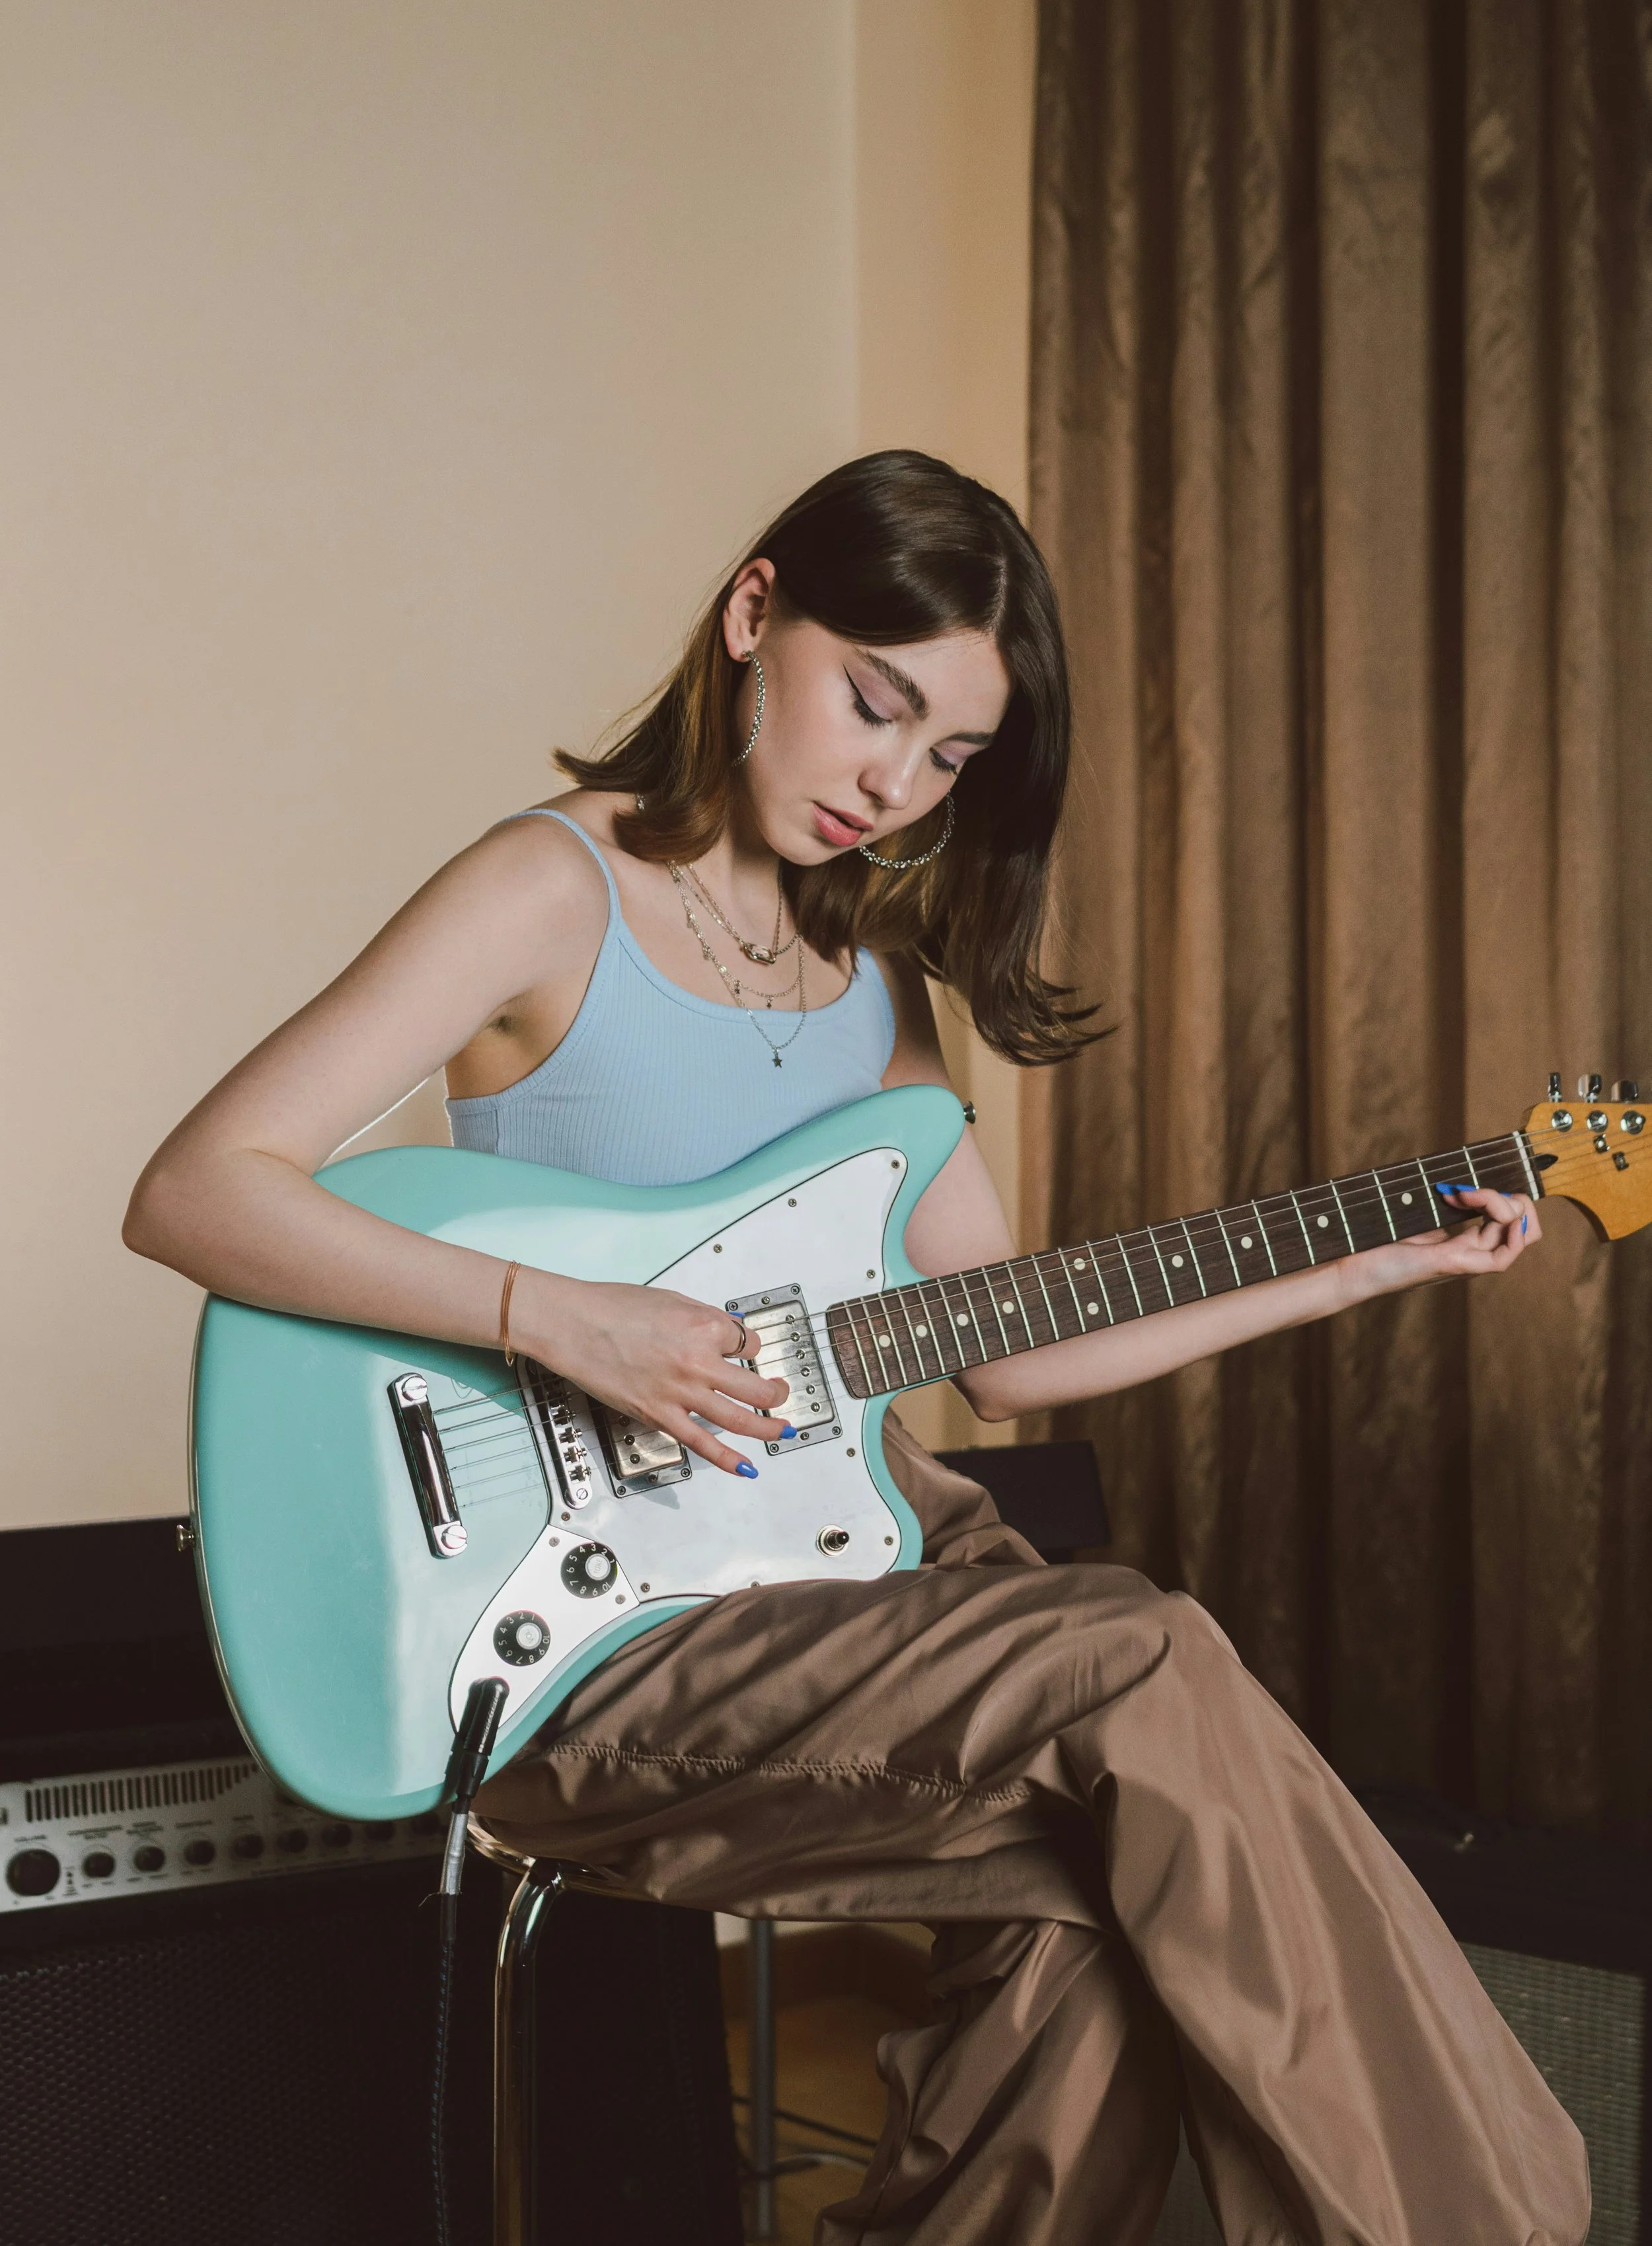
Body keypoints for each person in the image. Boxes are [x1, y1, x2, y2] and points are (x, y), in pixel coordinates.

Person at [124, 449, 1586, 2245]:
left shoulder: (878, 980)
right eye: (873, 704)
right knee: (1141, 1657)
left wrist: (1363, 1269)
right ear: (756, 617)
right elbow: (198, 1187)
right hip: (602, 1635)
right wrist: (566, 1320)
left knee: (1100, 1907)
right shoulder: (547, 888)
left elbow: (1010, 1350)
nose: (894, 783)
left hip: (864, 1579)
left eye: (950, 755)